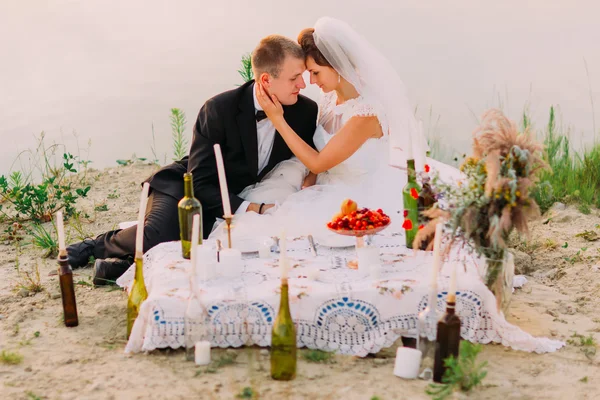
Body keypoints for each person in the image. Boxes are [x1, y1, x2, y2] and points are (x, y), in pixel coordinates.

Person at [67, 35, 318, 284]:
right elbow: (200, 182)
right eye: (295, 78)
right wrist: (254, 208)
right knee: (158, 235)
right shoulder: (219, 109)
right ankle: (94, 246)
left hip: (232, 194)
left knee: (202, 246)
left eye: (303, 76)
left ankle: (118, 268)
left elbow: (308, 158)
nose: (302, 85)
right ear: (266, 79)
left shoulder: (305, 111)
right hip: (187, 185)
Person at [208, 17, 456, 244]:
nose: (311, 82)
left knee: (297, 234)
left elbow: (318, 161)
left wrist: (277, 119)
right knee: (262, 228)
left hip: (357, 192)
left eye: (315, 73)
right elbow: (319, 154)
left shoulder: (366, 113)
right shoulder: (329, 98)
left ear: (337, 66)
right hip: (321, 186)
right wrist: (308, 183)